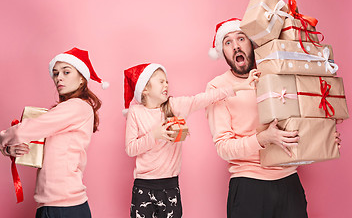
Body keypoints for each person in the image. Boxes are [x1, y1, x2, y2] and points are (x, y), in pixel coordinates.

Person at [206, 18, 341, 218]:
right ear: (222, 52)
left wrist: (323, 135)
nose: (235, 46)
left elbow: (301, 117)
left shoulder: (277, 72)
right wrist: (263, 138)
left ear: (251, 43)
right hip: (249, 186)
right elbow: (224, 148)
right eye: (227, 42)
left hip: (289, 182)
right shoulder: (217, 88)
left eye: (241, 38)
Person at [123, 63, 259, 218]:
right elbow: (130, 148)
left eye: (167, 81)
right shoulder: (135, 112)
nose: (166, 84)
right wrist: (155, 134)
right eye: (161, 81)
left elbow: (203, 98)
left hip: (170, 187)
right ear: (145, 89)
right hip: (143, 187)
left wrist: (239, 86)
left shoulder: (174, 105)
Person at [0, 47, 108, 218]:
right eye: (56, 74)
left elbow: (26, 130)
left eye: (66, 72)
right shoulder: (66, 110)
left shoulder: (77, 107)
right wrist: (10, 149)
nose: (59, 78)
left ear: (81, 79)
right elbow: (38, 146)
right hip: (55, 204)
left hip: (65, 206)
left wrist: (1, 139)